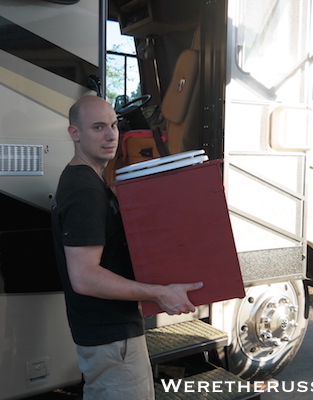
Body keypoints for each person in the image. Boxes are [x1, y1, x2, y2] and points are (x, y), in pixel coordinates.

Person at [51, 95, 203, 400]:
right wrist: (159, 292)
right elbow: (84, 276)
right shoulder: (84, 191)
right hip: (112, 339)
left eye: (113, 125)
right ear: (74, 133)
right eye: (98, 127)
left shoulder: (88, 182)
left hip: (106, 335)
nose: (110, 135)